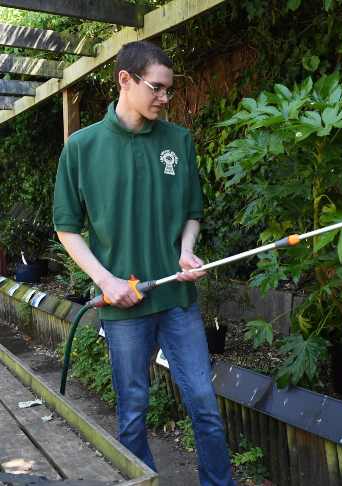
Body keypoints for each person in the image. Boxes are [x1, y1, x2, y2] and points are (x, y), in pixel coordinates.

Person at [53, 40, 235, 486]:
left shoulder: (179, 140)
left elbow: (193, 212)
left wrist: (186, 250)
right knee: (132, 413)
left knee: (204, 406)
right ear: (125, 80)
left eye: (169, 90)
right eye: (156, 88)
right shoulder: (82, 147)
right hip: (124, 306)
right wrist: (105, 280)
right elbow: (67, 227)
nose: (165, 98)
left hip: (176, 298)